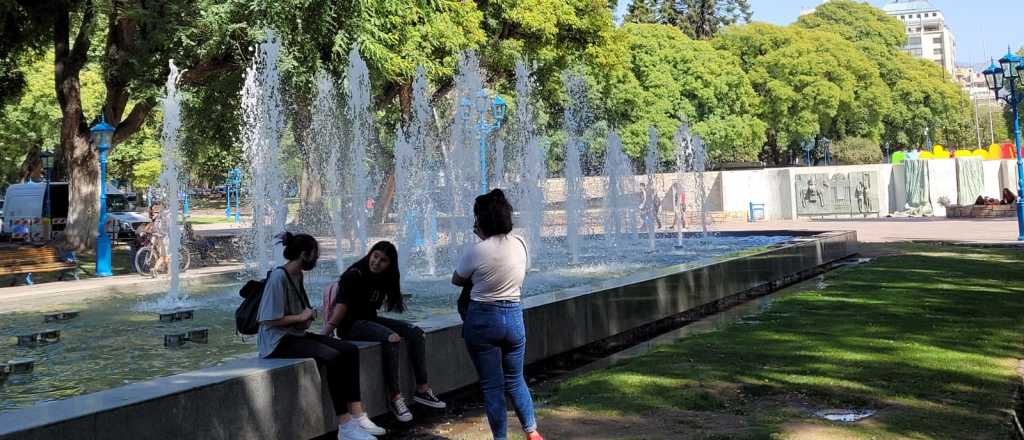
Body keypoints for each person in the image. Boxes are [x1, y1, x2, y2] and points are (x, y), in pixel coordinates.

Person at [257, 232, 384, 440]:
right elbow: (266, 319)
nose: (316, 259)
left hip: (295, 334)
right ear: (304, 254)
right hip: (277, 342)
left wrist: (305, 318)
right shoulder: (279, 277)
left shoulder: (298, 275)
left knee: (349, 350)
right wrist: (300, 316)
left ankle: (358, 415)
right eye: (315, 254)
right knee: (332, 358)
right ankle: (345, 426)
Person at [452, 189, 544, 440]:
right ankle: (532, 431)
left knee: (493, 386)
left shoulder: (478, 250)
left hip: (483, 320)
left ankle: (501, 438)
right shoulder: (521, 243)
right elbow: (524, 269)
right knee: (515, 379)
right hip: (514, 317)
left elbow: (457, 280)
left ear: (481, 220)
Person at [321, 241, 447, 423]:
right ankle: (395, 398)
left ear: (390, 264)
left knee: (416, 333)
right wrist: (326, 332)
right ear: (370, 254)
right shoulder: (354, 274)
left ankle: (422, 390)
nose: (377, 262)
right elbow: (341, 306)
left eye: (383, 260)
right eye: (375, 256)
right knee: (392, 338)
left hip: (369, 321)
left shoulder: (386, 277)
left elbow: (379, 308)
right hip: (350, 326)